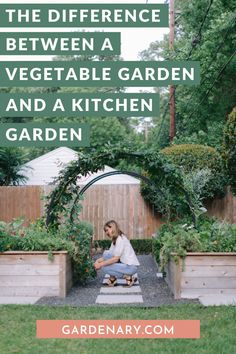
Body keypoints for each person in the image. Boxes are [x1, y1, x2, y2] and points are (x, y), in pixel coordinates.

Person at [94, 220, 140, 287]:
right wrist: (97, 261)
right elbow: (108, 256)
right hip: (126, 265)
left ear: (112, 228)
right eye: (105, 231)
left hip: (130, 267)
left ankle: (128, 277)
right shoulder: (115, 240)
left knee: (104, 267)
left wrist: (100, 264)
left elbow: (115, 259)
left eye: (107, 230)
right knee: (106, 254)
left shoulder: (120, 239)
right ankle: (113, 279)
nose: (106, 233)